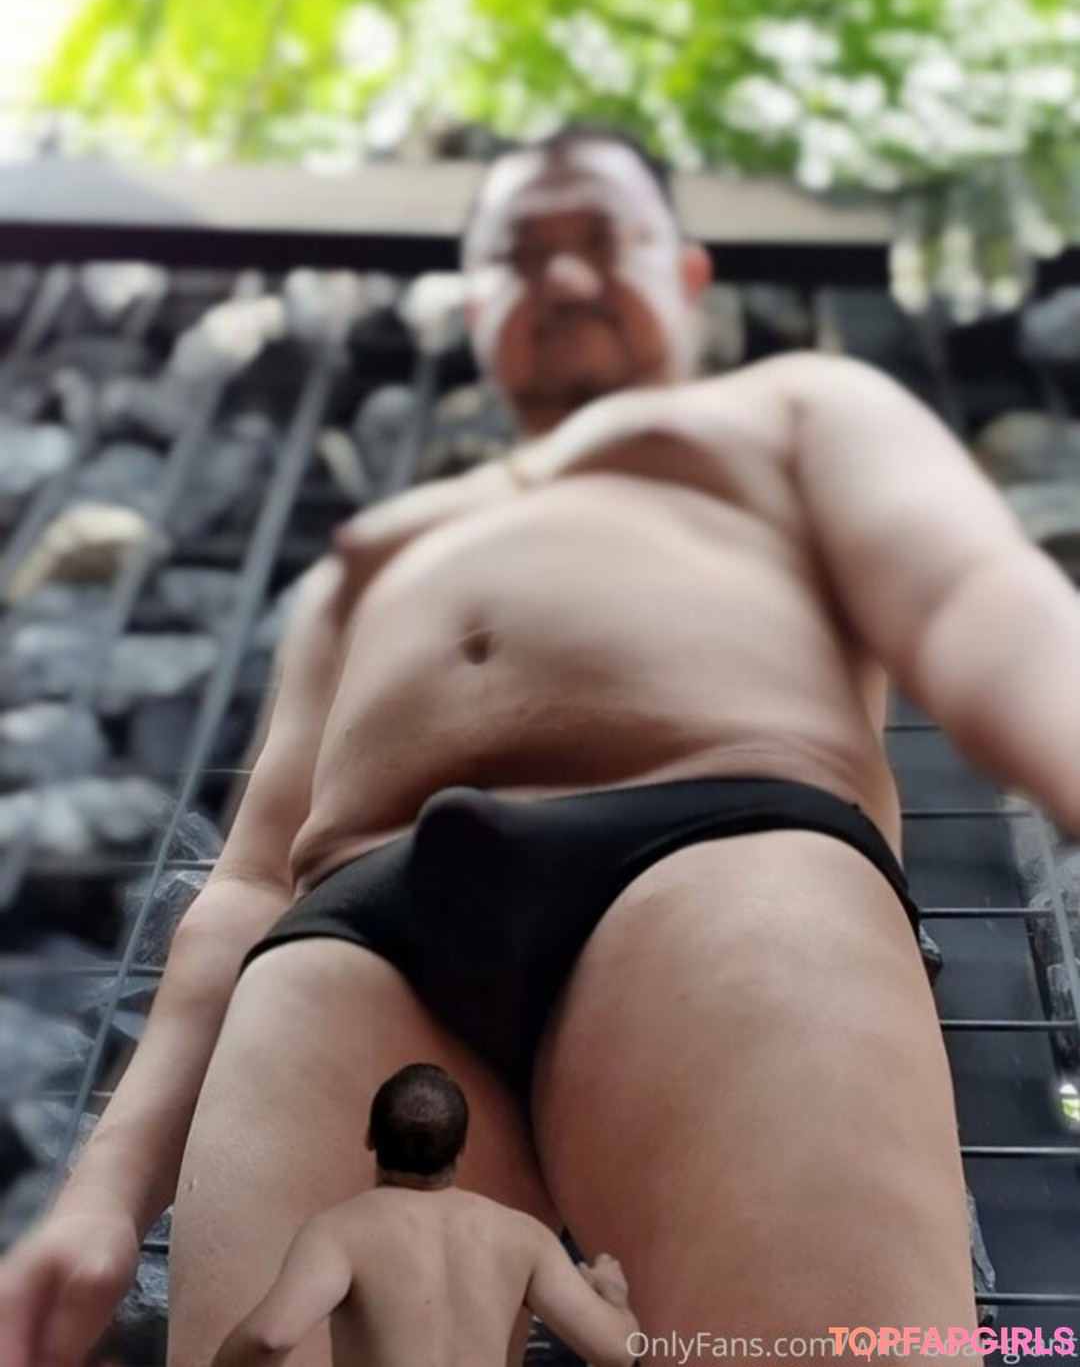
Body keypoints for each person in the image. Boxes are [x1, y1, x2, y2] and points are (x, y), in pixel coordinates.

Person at [4, 125, 1080, 1367]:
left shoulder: (797, 408)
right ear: (479, 302)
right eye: (521, 254)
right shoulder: (371, 554)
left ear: (685, 273)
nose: (563, 276)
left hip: (722, 864)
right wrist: (103, 1192)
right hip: (352, 935)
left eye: (602, 240)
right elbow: (247, 879)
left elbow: (973, 602)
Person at [211, 1062, 639, 1367]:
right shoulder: (525, 1237)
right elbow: (618, 1351)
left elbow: (271, 1337)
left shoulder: (339, 1234)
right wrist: (615, 1299)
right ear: (462, 1149)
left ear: (370, 1138)